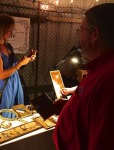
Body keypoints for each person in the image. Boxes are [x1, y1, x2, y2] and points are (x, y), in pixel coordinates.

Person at [53, 3, 114, 150]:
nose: (79, 35)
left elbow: (101, 142)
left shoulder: (108, 79)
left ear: (95, 34)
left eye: (81, 29)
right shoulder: (99, 68)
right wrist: (67, 107)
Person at [0, 14, 36, 118]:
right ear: (1, 30)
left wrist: (26, 60)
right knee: (6, 116)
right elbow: (1, 75)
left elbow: (15, 69)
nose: (11, 33)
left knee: (18, 114)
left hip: (16, 85)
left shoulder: (7, 46)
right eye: (9, 30)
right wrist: (19, 64)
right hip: (6, 89)